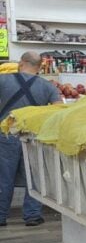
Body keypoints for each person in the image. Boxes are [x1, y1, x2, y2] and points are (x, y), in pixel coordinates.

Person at [0, 51, 61, 227]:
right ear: (40, 66)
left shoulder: (3, 80)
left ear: (22, 62)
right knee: (33, 176)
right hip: (33, 136)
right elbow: (58, 109)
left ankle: (1, 215)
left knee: (4, 177)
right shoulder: (48, 86)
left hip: (7, 135)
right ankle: (32, 215)